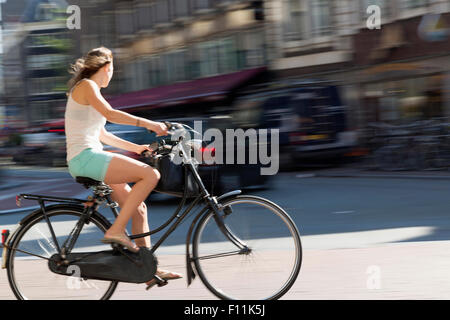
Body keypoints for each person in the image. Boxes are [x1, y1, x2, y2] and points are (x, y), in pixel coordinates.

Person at [64, 47, 181, 287]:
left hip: (91, 156)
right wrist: (150, 124)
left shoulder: (89, 89)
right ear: (107, 68)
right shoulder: (87, 86)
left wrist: (137, 148)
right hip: (86, 157)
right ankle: (116, 231)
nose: (112, 75)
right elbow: (111, 114)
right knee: (150, 174)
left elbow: (104, 134)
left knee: (138, 209)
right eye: (113, 70)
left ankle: (148, 270)